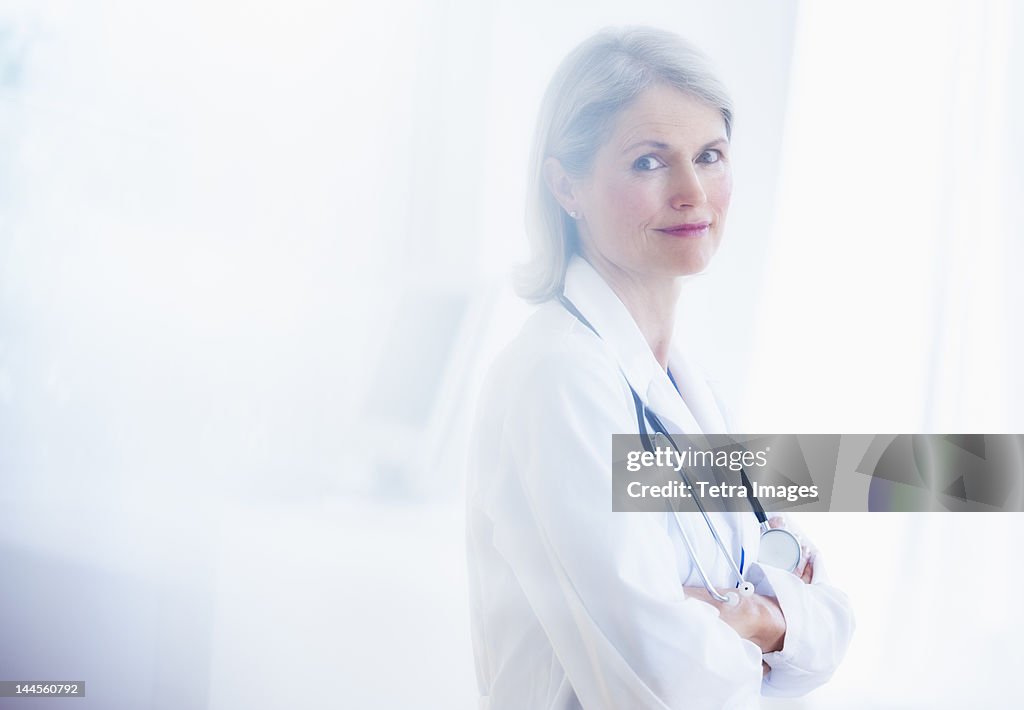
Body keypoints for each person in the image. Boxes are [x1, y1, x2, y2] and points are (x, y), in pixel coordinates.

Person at [465, 26, 854, 709]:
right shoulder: (560, 378)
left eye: (709, 156)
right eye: (649, 162)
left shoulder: (684, 388)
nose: (692, 193)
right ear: (566, 185)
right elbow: (666, 684)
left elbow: (832, 630)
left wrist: (755, 618)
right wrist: (772, 628)